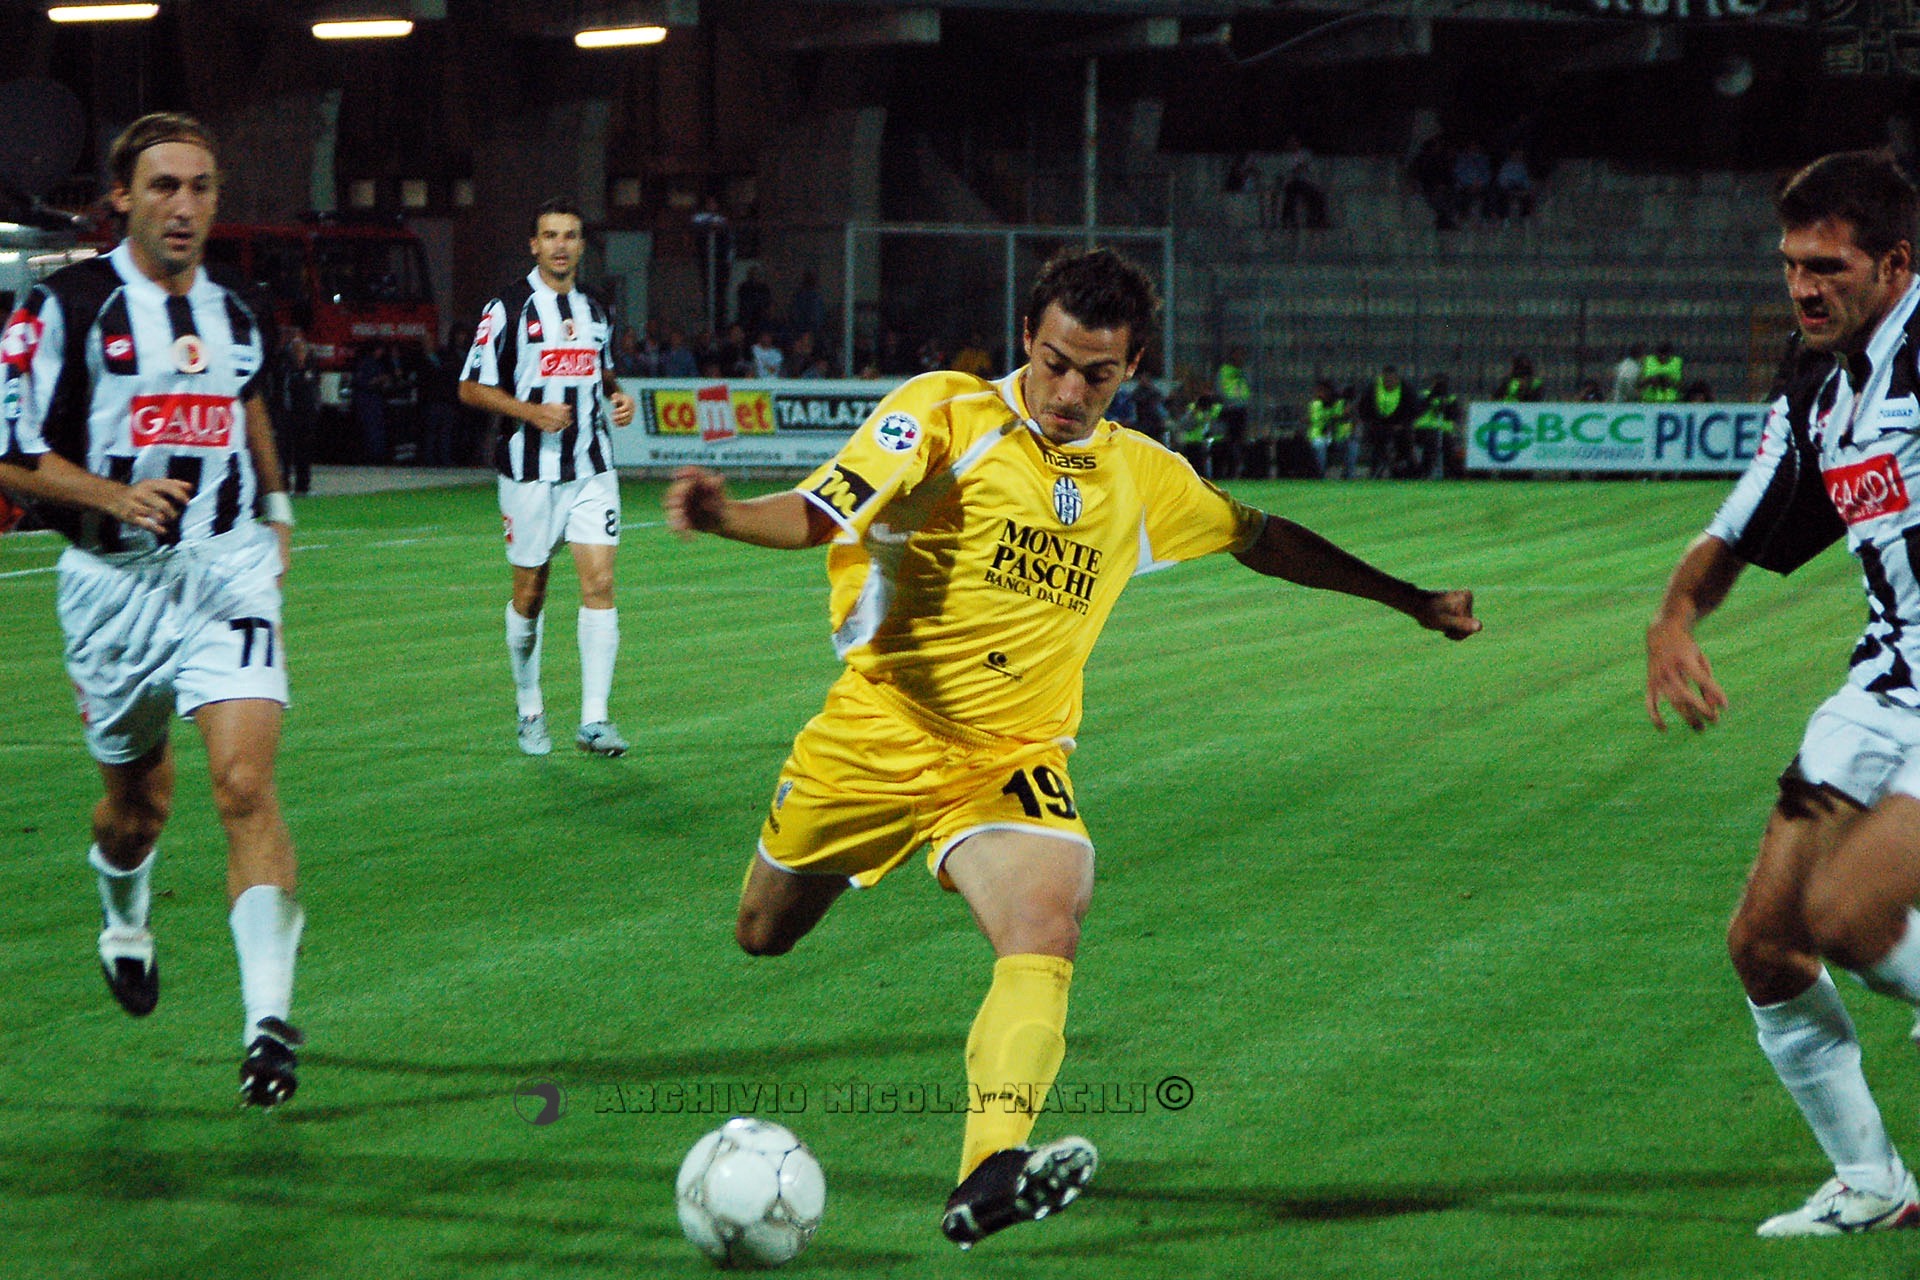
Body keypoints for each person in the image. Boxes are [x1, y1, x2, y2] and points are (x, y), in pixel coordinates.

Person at [664, 247, 1481, 1248]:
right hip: (877, 731)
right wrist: (725, 514)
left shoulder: (1142, 476)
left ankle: (988, 1167)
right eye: (1054, 363)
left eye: (1097, 374)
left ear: (1132, 367)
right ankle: (848, 889)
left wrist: (1410, 600)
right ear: (1026, 339)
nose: (1068, 391)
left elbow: (1261, 536)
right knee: (763, 931)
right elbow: (820, 510)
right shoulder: (947, 413)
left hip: (1011, 756)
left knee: (1046, 922)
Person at [0, 112, 308, 1106]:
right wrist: (111, 495)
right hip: (110, 588)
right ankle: (124, 913)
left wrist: (275, 508)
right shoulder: (62, 307)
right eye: (164, 185)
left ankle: (268, 1027)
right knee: (138, 812)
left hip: (225, 571)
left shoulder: (240, 307)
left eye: (201, 187)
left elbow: (249, 400)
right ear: (122, 197)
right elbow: (11, 455)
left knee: (243, 785)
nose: (184, 205)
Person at [1646, 149, 1920, 1237]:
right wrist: (1674, 618)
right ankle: (1875, 1182)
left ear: (1895, 265)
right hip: (1886, 683)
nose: (1804, 287)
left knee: (1851, 914)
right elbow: (1743, 517)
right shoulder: (1816, 386)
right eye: (1792, 265)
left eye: (1828, 267)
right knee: (1766, 943)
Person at [459, 198, 638, 757]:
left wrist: (616, 395)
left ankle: (594, 720)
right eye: (551, 236)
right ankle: (529, 706)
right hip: (529, 472)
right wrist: (530, 412)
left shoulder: (597, 309)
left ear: (582, 246)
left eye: (571, 235)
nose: (561, 245)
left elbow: (602, 367)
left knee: (599, 583)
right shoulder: (507, 308)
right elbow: (470, 387)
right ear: (534, 245)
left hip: (592, 467)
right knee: (530, 594)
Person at [275, 327, 318, 493]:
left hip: (305, 416)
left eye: (302, 351)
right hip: (288, 415)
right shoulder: (285, 365)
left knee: (304, 452)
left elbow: (314, 389)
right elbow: (282, 389)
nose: (301, 355)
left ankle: (303, 485)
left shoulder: (310, 365)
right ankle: (284, 484)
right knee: (285, 452)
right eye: (298, 351)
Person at [1357, 364, 1418, 478]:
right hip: (1378, 425)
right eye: (1386, 379)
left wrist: (1403, 424)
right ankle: (1376, 470)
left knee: (1405, 443)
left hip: (1400, 425)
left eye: (1392, 379)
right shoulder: (1373, 388)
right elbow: (1363, 407)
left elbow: (1413, 409)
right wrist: (1371, 423)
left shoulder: (1406, 388)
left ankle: (1404, 471)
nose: (1389, 382)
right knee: (1377, 443)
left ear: (1397, 378)